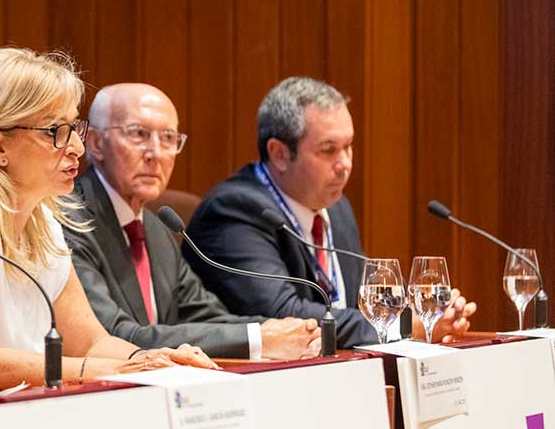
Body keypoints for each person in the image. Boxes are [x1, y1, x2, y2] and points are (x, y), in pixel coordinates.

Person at [0, 48, 216, 392]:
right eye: (55, 131)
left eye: (74, 128)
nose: (77, 147)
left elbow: (91, 342)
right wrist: (119, 369)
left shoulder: (41, 217)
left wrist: (156, 360)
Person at [183, 77, 476, 347]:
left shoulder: (336, 207)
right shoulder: (234, 211)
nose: (345, 163)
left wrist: (428, 314)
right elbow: (286, 316)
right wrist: (404, 326)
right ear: (279, 154)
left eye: (348, 147)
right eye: (328, 150)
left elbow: (359, 303)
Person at [64, 84, 321, 360]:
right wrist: (258, 339)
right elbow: (112, 335)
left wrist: (286, 331)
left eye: (168, 138)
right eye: (138, 134)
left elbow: (207, 316)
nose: (155, 153)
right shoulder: (69, 221)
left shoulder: (157, 229)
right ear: (95, 143)